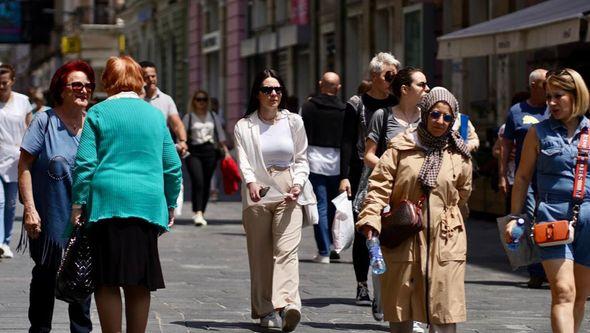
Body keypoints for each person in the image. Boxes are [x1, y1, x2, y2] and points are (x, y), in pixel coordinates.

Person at [70, 56, 182, 333]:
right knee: (139, 280)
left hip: (107, 204)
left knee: (107, 280)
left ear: (108, 81)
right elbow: (172, 165)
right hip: (146, 205)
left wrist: (77, 203)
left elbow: (85, 164)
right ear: (138, 81)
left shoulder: (97, 113)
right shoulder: (155, 116)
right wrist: (170, 203)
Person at [358, 87, 472, 333]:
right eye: (434, 115)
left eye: (447, 117)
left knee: (444, 311)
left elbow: (463, 193)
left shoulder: (458, 155)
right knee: (401, 312)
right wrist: (370, 223)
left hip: (446, 239)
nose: (440, 121)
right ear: (425, 114)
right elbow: (377, 189)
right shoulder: (399, 149)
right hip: (405, 236)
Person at [505, 68, 590, 333]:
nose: (551, 103)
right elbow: (521, 178)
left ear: (576, 96)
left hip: (589, 216)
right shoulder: (537, 132)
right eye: (549, 96)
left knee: (579, 294)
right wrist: (514, 217)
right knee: (563, 290)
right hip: (552, 216)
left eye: (558, 96)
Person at [234, 68, 315, 332]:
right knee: (260, 256)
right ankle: (265, 310)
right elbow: (243, 159)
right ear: (257, 94)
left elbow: (302, 159)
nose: (273, 94)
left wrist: (298, 183)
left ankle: (289, 305)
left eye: (278, 89)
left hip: (289, 189)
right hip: (258, 190)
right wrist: (250, 181)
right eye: (267, 89)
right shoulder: (244, 125)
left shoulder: (294, 122)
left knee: (287, 251)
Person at [18, 60, 94, 333]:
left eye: (88, 86)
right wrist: (29, 208)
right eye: (77, 85)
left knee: (83, 281)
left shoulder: (94, 124)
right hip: (49, 219)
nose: (84, 90)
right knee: (45, 277)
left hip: (85, 220)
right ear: (61, 89)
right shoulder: (44, 121)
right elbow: (24, 165)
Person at [360, 66, 429, 326]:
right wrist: (393, 169)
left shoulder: (429, 119)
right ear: (404, 89)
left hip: (419, 197)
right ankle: (383, 296)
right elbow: (368, 154)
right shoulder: (383, 116)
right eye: (421, 84)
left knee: (419, 256)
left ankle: (418, 318)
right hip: (388, 195)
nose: (427, 89)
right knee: (390, 250)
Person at [340, 52, 400, 311]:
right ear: (375, 76)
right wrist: (343, 176)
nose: (393, 80)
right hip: (360, 173)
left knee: (389, 231)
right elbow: (345, 141)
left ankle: (383, 288)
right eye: (389, 76)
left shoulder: (398, 103)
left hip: (394, 175)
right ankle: (362, 282)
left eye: (396, 76)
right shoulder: (357, 103)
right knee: (364, 228)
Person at [500, 68, 548, 288]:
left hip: (548, 175)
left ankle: (549, 265)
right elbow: (506, 144)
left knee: (546, 217)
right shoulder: (517, 111)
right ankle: (536, 270)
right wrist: (503, 174)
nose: (550, 88)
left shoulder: (553, 109)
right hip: (525, 176)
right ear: (533, 85)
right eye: (545, 83)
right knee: (528, 218)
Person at [301, 71, 346, 264]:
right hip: (337, 163)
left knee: (319, 205)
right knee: (334, 208)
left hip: (314, 160)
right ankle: (335, 246)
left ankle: (324, 250)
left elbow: (300, 135)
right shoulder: (345, 109)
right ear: (338, 88)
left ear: (320, 84)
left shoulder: (308, 106)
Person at [0, 63, 33, 259]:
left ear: (12, 81)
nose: (1, 87)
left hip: (16, 160)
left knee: (11, 203)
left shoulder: (23, 102)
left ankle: (6, 241)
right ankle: (0, 243)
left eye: (5, 83)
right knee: (0, 201)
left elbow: (30, 129)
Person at [182, 90, 229, 226]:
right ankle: (197, 212)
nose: (201, 102)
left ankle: (201, 211)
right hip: (194, 152)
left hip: (210, 152)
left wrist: (225, 152)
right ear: (194, 101)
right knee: (198, 181)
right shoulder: (188, 117)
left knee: (207, 182)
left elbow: (220, 136)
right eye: (198, 99)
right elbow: (182, 135)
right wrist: (182, 145)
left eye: (203, 99)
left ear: (207, 101)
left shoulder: (213, 116)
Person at [139, 60, 188, 157]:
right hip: (141, 149)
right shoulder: (135, 99)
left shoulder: (166, 99)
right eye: (146, 77)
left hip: (161, 148)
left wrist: (182, 141)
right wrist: (141, 95)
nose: (151, 79)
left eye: (153, 76)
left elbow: (177, 124)